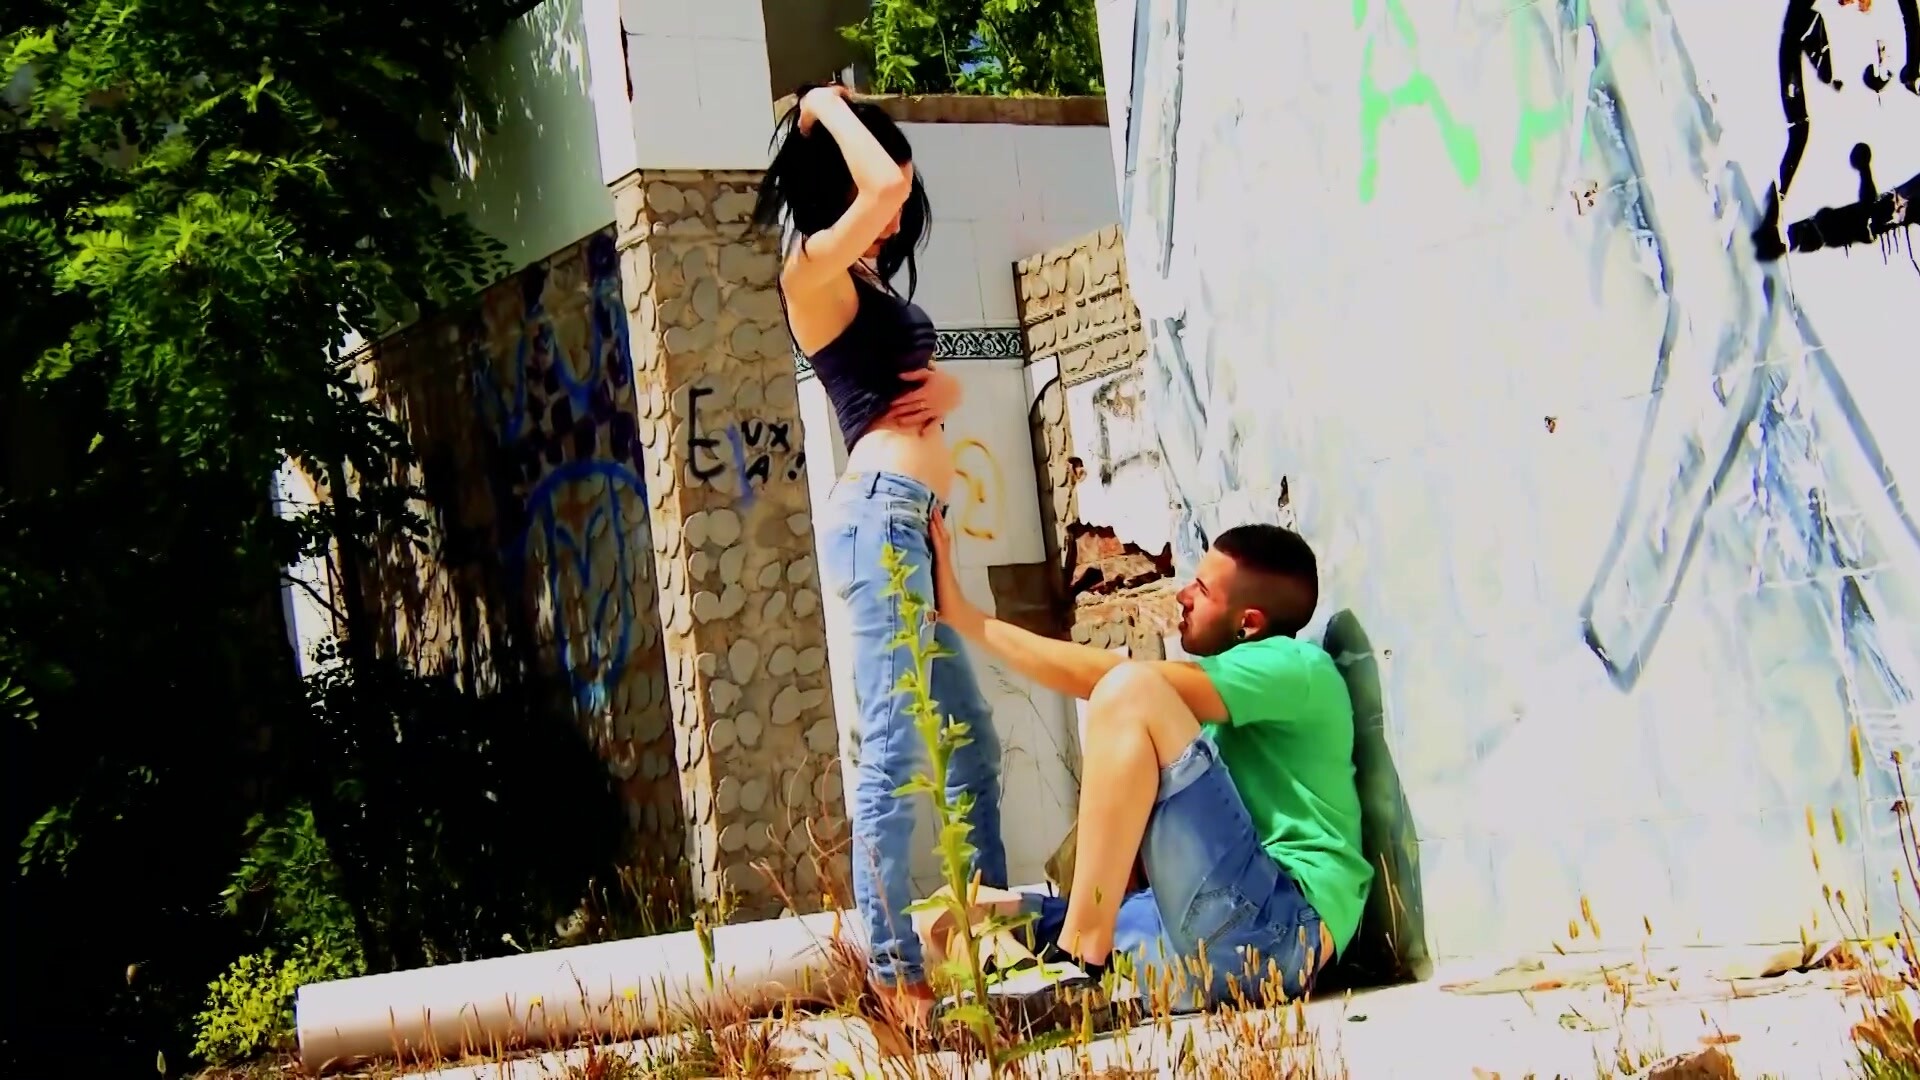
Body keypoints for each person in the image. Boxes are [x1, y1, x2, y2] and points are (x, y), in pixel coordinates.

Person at [751, 85, 1005, 1027]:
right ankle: (898, 976)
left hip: (915, 522)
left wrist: (947, 390)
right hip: (880, 520)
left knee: (970, 743)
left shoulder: (866, 283)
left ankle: (988, 946)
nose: (898, 212)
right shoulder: (809, 270)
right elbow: (887, 185)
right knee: (897, 748)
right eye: (882, 183)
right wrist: (824, 100)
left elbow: (925, 385)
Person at [927, 515, 1372, 1013]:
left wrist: (969, 619)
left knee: (1129, 689)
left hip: (1278, 930)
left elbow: (1119, 682)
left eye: (1202, 590)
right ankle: (1037, 988)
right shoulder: (1211, 713)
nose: (1183, 595)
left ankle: (1077, 967)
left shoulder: (1298, 667)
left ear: (1248, 623)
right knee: (953, 916)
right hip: (1192, 932)